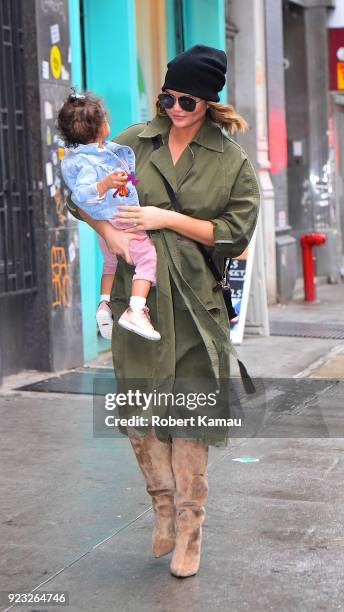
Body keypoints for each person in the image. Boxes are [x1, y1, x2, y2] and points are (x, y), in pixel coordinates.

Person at [66, 44, 260, 578]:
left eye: (188, 101)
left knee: (189, 420)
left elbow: (233, 233)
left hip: (196, 307)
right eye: (168, 96)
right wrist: (108, 231)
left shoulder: (232, 162)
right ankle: (163, 511)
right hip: (141, 304)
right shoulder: (131, 142)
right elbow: (76, 192)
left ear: (210, 102)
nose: (175, 108)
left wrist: (164, 218)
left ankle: (190, 531)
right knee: (143, 417)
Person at [58, 91, 160, 342]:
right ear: (102, 127)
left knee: (110, 264)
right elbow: (81, 195)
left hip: (106, 225)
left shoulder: (92, 153)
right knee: (148, 258)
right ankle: (136, 309)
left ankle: (104, 305)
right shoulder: (86, 161)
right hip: (120, 220)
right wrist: (104, 185)